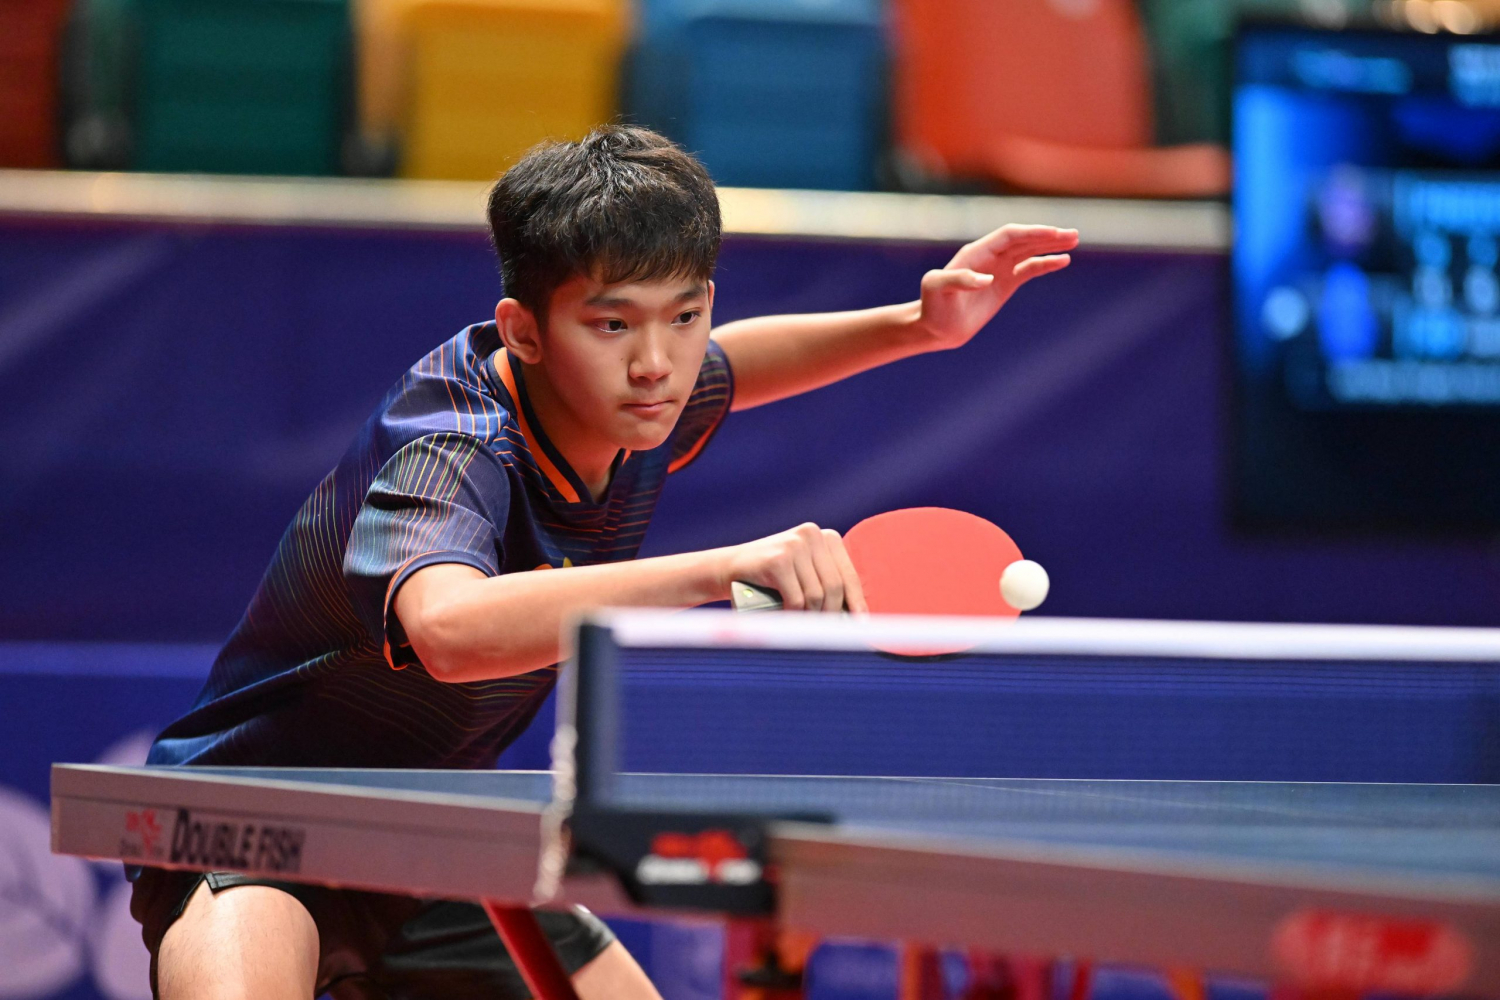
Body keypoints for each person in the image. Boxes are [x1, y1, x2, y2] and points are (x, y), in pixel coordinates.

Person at [131, 124, 1078, 1000]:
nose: (657, 362)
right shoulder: (451, 447)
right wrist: (717, 571)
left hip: (425, 832)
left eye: (684, 314)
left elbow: (734, 365)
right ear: (524, 330)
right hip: (249, 821)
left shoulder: (633, 401)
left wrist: (919, 325)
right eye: (614, 324)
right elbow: (447, 631)